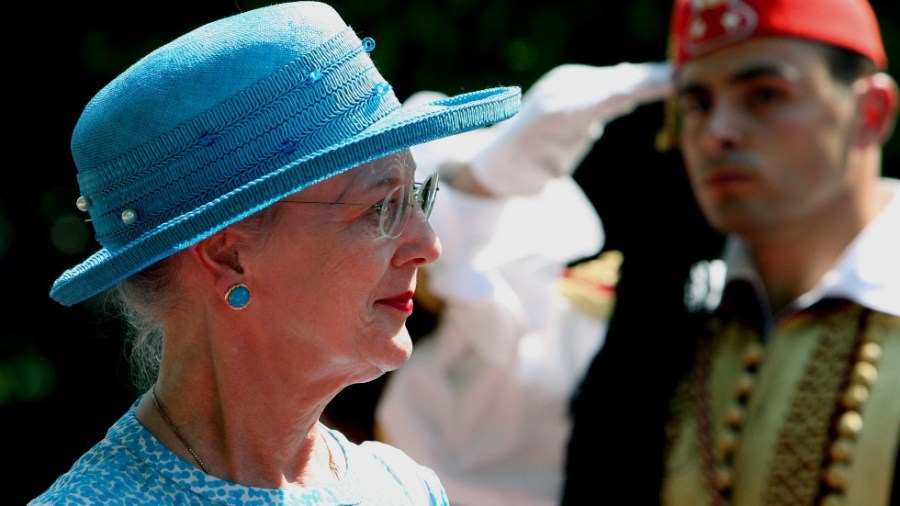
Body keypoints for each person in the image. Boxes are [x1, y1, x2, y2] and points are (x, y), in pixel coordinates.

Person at [29, 2, 520, 504]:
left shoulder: (406, 489)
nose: (428, 246)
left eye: (417, 195)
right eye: (380, 207)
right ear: (227, 256)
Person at [565, 0, 900, 504]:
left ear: (870, 113)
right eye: (696, 103)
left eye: (765, 95)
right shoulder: (656, 317)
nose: (718, 131)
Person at [374, 61, 672, 506]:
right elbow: (482, 301)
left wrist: (487, 183)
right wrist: (486, 182)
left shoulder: (571, 307)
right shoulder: (426, 396)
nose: (420, 250)